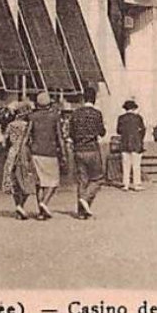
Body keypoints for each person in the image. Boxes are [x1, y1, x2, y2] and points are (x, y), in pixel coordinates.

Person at [67, 89, 108, 218]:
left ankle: (81, 212)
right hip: (92, 149)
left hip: (79, 149)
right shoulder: (97, 114)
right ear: (94, 98)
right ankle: (85, 199)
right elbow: (101, 132)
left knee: (82, 180)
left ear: (83, 99)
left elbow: (71, 133)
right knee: (98, 179)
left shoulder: (75, 113)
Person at [26, 91, 63, 219]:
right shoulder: (54, 116)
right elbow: (59, 136)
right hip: (50, 152)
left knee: (40, 183)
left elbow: (27, 135)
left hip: (35, 152)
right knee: (53, 182)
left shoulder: (32, 116)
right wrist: (63, 153)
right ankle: (44, 203)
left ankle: (41, 212)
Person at [0, 102, 37, 220]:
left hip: (12, 152)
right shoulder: (27, 125)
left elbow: (4, 142)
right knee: (27, 180)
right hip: (24, 153)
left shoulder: (10, 125)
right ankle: (21, 205)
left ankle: (18, 205)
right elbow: (31, 141)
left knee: (14, 181)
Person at [116, 98, 146, 192]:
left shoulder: (121, 118)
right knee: (136, 165)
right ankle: (137, 184)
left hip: (124, 143)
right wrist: (140, 139)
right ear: (134, 108)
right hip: (136, 143)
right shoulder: (138, 118)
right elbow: (143, 130)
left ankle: (126, 184)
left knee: (125, 165)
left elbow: (118, 131)